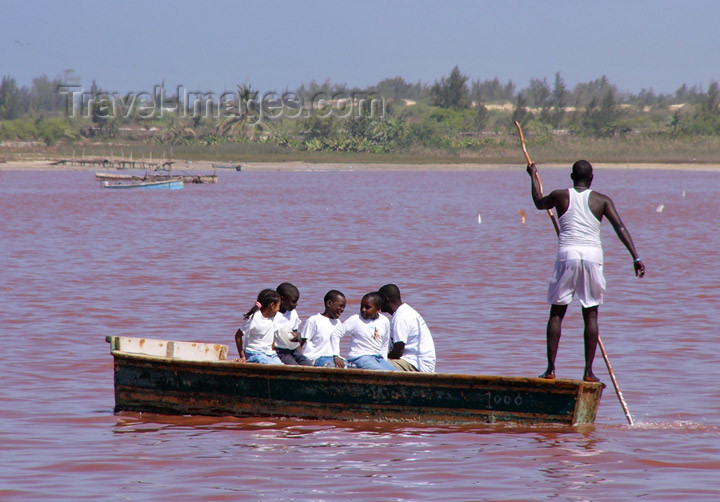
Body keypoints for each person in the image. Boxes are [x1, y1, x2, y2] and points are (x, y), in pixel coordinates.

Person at [527, 160, 645, 382]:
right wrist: (635, 257)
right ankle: (588, 372)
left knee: (557, 313)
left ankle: (551, 370)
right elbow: (620, 227)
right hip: (592, 258)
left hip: (567, 256)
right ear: (592, 179)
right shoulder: (602, 200)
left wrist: (533, 175)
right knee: (590, 314)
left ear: (572, 176)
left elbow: (539, 203)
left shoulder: (560, 195)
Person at [378, 284, 436, 373]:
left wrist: (382, 357)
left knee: (373, 363)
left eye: (379, 300)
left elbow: (398, 352)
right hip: (418, 362)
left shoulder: (401, 317)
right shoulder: (404, 311)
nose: (377, 303)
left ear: (386, 299)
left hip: (417, 364)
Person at [332, 292, 396, 371]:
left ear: (378, 309)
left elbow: (385, 343)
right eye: (361, 306)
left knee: (397, 373)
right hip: (359, 357)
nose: (363, 310)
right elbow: (336, 334)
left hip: (378, 358)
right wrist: (336, 356)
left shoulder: (384, 321)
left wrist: (384, 361)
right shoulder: (355, 319)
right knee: (384, 372)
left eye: (367, 307)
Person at [234, 288, 284, 365]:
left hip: (270, 354)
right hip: (254, 353)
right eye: (278, 306)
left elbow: (272, 337)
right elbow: (238, 336)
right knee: (269, 363)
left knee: (281, 366)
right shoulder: (254, 318)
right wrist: (243, 357)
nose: (279, 309)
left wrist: (271, 350)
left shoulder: (274, 318)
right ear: (272, 305)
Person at [301, 290, 348, 368]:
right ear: (329, 303)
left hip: (334, 358)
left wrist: (337, 357)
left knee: (352, 366)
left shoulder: (338, 323)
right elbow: (302, 342)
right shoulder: (314, 320)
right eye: (340, 306)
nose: (342, 309)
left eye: (344, 307)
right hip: (317, 358)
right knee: (332, 366)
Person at [273, 282, 313, 366]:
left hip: (293, 350)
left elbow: (295, 334)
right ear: (282, 299)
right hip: (279, 351)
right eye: (293, 302)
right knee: (294, 366)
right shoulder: (273, 315)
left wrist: (298, 338)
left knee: (308, 364)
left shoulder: (293, 313)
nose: (296, 304)